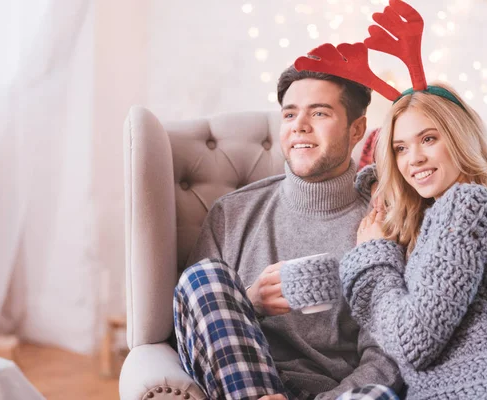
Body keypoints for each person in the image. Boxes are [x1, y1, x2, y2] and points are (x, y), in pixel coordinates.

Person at [173, 65, 403, 400]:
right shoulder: (232, 213)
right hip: (244, 384)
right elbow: (190, 323)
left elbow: (386, 353)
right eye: (290, 114)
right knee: (204, 278)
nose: (299, 126)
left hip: (338, 393)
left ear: (357, 130)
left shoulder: (385, 222)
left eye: (319, 113)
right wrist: (248, 302)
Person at [340, 81, 487, 399]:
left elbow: (413, 343)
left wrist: (372, 257)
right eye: (400, 148)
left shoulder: (466, 205)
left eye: (428, 139)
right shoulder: (450, 213)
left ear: (459, 138)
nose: (414, 159)